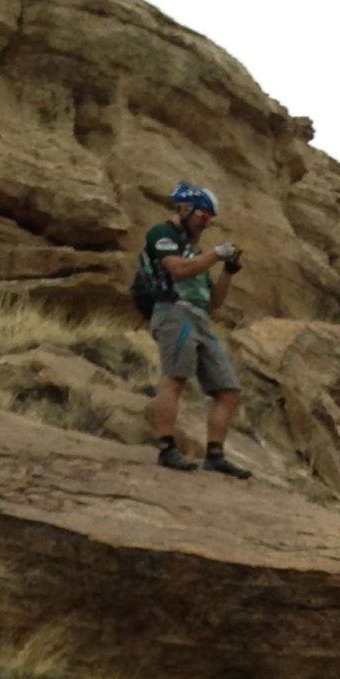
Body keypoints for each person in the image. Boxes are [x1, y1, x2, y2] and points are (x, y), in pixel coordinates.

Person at [142, 182, 249, 477]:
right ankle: (166, 448)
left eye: (210, 220)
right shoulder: (161, 235)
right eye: (203, 217)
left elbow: (214, 301)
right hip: (174, 312)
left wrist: (228, 271)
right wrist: (215, 254)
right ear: (185, 209)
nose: (207, 224)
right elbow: (177, 269)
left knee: (228, 390)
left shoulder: (195, 250)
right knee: (175, 377)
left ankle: (215, 455)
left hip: (201, 319)